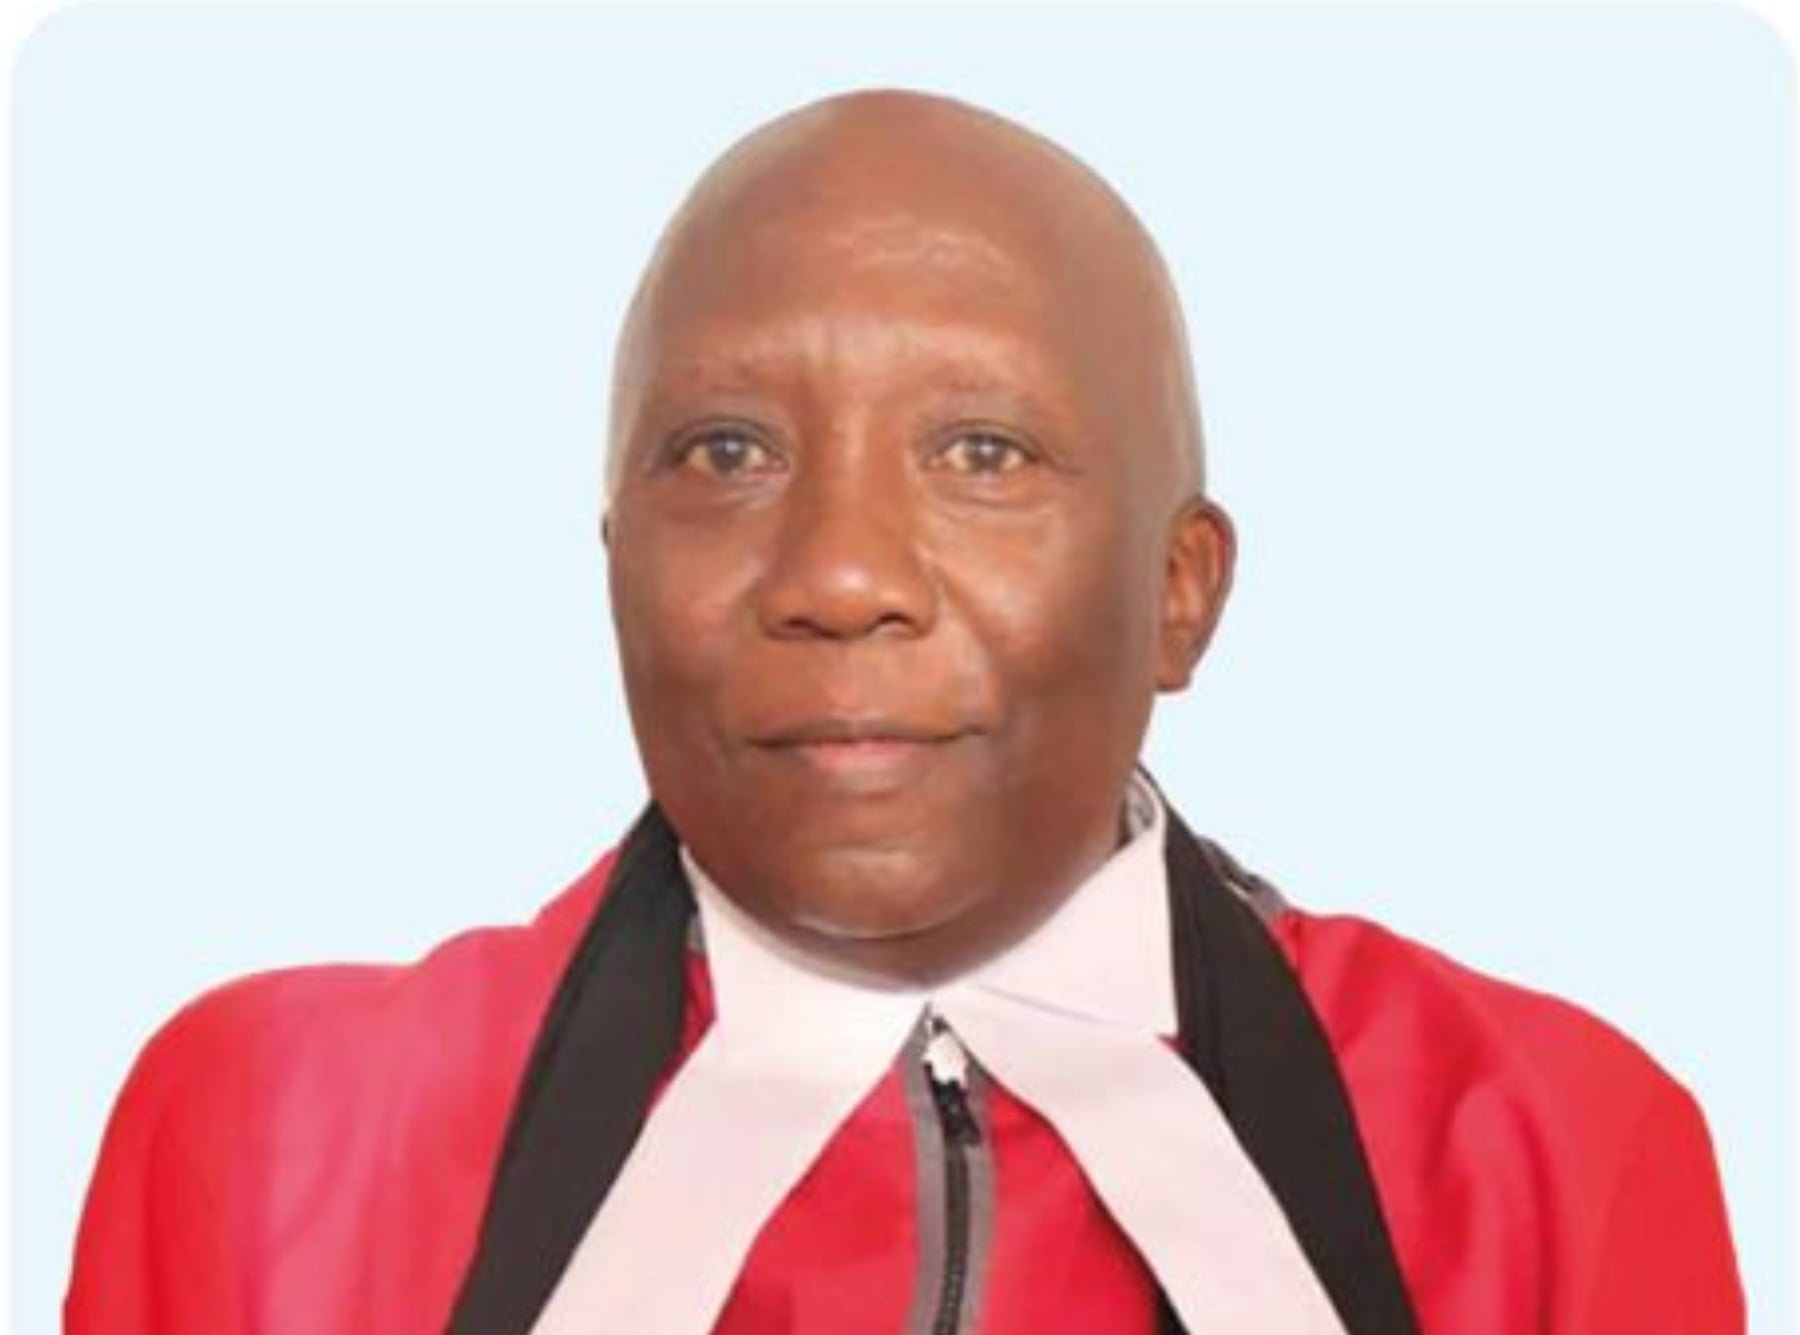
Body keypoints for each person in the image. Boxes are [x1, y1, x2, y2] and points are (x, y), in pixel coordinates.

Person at [66, 90, 1743, 1335]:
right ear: (615, 555)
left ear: (1182, 591)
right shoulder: (272, 1132)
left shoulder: (1546, 1145)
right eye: (727, 453)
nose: (842, 573)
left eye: (982, 454)